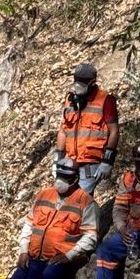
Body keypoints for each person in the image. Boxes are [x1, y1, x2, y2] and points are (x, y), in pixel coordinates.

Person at [0, 158, 99, 279]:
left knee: (51, 276)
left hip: (65, 258)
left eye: (65, 177)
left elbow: (90, 237)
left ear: (75, 179)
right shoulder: (44, 195)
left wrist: (68, 255)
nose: (61, 181)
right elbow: (29, 224)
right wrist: (23, 249)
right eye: (59, 176)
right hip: (36, 255)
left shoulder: (86, 202)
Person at [96, 138, 140, 279]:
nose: (139, 165)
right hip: (134, 232)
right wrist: (121, 228)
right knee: (107, 250)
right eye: (137, 161)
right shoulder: (129, 179)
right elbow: (118, 208)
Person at [53, 62, 119, 195]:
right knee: (63, 197)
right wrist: (57, 159)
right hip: (69, 161)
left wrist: (107, 160)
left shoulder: (105, 100)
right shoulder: (70, 101)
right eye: (76, 80)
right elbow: (63, 130)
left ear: (92, 82)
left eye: (83, 81)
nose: (78, 84)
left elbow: (114, 130)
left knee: (80, 200)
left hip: (90, 162)